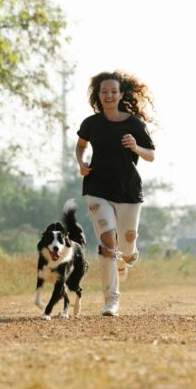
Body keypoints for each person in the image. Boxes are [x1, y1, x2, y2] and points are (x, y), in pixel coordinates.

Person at [75, 70, 156, 316]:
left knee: (127, 244)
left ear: (121, 95)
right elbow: (81, 146)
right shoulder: (91, 123)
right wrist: (81, 163)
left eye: (113, 91)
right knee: (107, 242)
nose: (108, 95)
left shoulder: (134, 124)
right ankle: (111, 300)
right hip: (97, 188)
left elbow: (151, 155)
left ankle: (125, 259)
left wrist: (135, 147)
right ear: (98, 95)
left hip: (128, 190)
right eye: (104, 91)